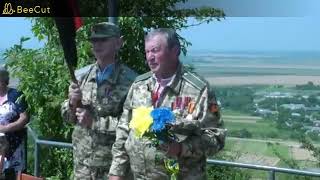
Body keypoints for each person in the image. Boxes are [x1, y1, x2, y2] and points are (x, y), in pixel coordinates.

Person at [109, 28, 226, 180]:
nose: (150, 57)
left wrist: (182, 148)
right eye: (147, 52)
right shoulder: (139, 86)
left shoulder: (199, 89)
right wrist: (116, 172)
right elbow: (124, 131)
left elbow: (217, 137)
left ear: (175, 51)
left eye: (155, 51)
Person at [61, 22, 137, 180]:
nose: (97, 44)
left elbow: (133, 126)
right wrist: (71, 103)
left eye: (103, 40)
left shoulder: (132, 81)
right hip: (82, 167)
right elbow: (68, 119)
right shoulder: (81, 76)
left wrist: (95, 122)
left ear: (118, 43)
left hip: (112, 168)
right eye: (94, 40)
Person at [0, 66, 29, 178]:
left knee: (12, 175)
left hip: (14, 145)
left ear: (3, 80)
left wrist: (5, 128)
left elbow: (24, 118)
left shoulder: (16, 95)